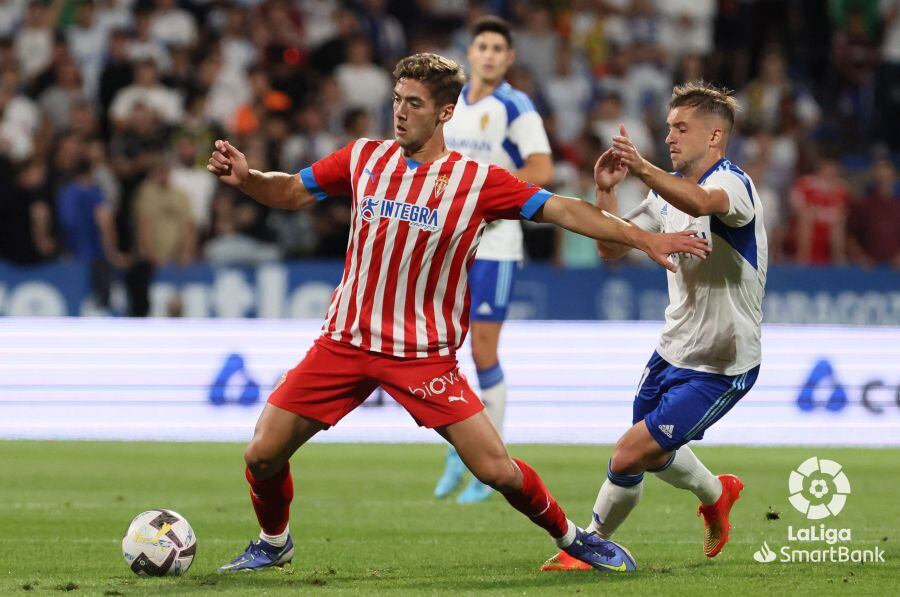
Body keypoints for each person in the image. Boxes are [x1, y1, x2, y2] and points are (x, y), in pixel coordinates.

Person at [207, 53, 709, 573]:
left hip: (422, 357)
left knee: (497, 470)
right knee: (261, 454)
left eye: (415, 104)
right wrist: (248, 178)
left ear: (445, 112)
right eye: (397, 100)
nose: (400, 113)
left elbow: (563, 209)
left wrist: (642, 236)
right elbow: (290, 190)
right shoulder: (363, 158)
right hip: (345, 342)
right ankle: (273, 542)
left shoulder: (475, 180)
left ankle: (574, 537)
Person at [541, 81, 767, 570]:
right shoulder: (663, 195)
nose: (670, 138)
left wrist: (641, 167)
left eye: (681, 129)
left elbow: (703, 203)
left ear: (714, 136)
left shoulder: (734, 184)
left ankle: (591, 545)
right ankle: (716, 493)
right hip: (671, 351)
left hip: (723, 364)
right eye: (668, 128)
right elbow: (611, 248)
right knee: (648, 451)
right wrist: (606, 189)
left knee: (627, 455)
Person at [436, 15, 554, 503]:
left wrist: (494, 196)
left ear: (508, 58)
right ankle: (458, 450)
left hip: (497, 242)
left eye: (496, 48)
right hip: (448, 239)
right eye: (480, 45)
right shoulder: (451, 104)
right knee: (442, 346)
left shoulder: (515, 105)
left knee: (483, 349)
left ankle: (494, 461)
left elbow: (542, 168)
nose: (487, 54)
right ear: (469, 51)